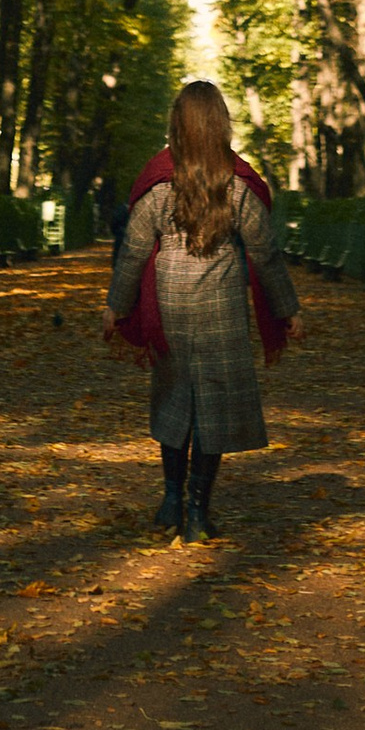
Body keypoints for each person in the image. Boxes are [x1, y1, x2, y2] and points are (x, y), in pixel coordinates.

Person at [104, 78, 299, 541]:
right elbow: (265, 253)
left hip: (169, 300)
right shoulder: (238, 184)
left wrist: (116, 306)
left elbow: (134, 251)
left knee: (174, 397)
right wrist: (287, 309)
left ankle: (171, 500)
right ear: (220, 124)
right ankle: (197, 513)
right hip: (222, 301)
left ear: (177, 123)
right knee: (213, 404)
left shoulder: (157, 182)